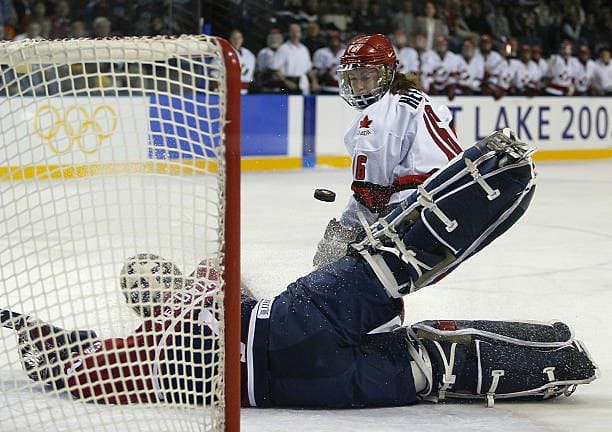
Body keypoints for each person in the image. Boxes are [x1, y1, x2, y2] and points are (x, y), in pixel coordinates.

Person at [12, 130, 599, 408]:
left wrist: (62, 349)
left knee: (425, 360)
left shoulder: (148, 347)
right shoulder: (159, 332)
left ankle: (557, 359)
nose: (154, 286)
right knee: (391, 272)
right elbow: (91, 365)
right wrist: (62, 348)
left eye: (150, 277)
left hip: (299, 387)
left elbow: (90, 367)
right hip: (289, 327)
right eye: (147, 283)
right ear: (150, 299)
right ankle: (550, 356)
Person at [312, 33, 462, 267]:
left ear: (386, 73)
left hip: (417, 208)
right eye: (353, 78)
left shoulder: (377, 117)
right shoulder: (418, 98)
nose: (359, 87)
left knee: (359, 266)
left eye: (366, 77)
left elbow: (372, 194)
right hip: (455, 197)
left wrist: (342, 234)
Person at [270, 22, 320, 94]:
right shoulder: (283, 48)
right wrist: (286, 81)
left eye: (297, 31)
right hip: (287, 83)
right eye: (293, 31)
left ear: (300, 33)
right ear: (289, 33)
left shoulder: (304, 49)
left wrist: (314, 81)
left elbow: (309, 69)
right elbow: (274, 69)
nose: (295, 34)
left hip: (302, 82)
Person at [229, 29, 256, 95]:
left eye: (239, 38)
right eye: (234, 38)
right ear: (230, 39)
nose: (236, 40)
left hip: (245, 92)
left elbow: (251, 77)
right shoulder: (224, 52)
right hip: (229, 91)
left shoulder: (249, 55)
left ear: (242, 39)